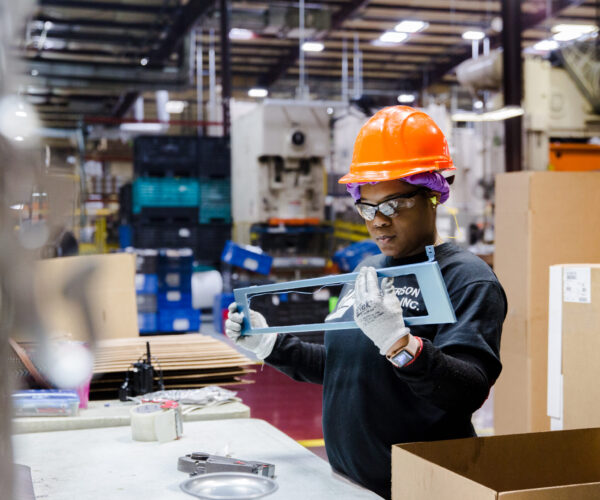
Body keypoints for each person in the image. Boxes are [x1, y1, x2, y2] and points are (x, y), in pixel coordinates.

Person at [226, 106, 506, 499]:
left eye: (393, 204)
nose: (378, 221)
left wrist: (402, 346)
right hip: (351, 483)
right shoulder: (368, 270)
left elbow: (469, 391)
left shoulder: (466, 278)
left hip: (422, 488)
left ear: (433, 195)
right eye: (367, 206)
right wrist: (271, 345)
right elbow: (345, 366)